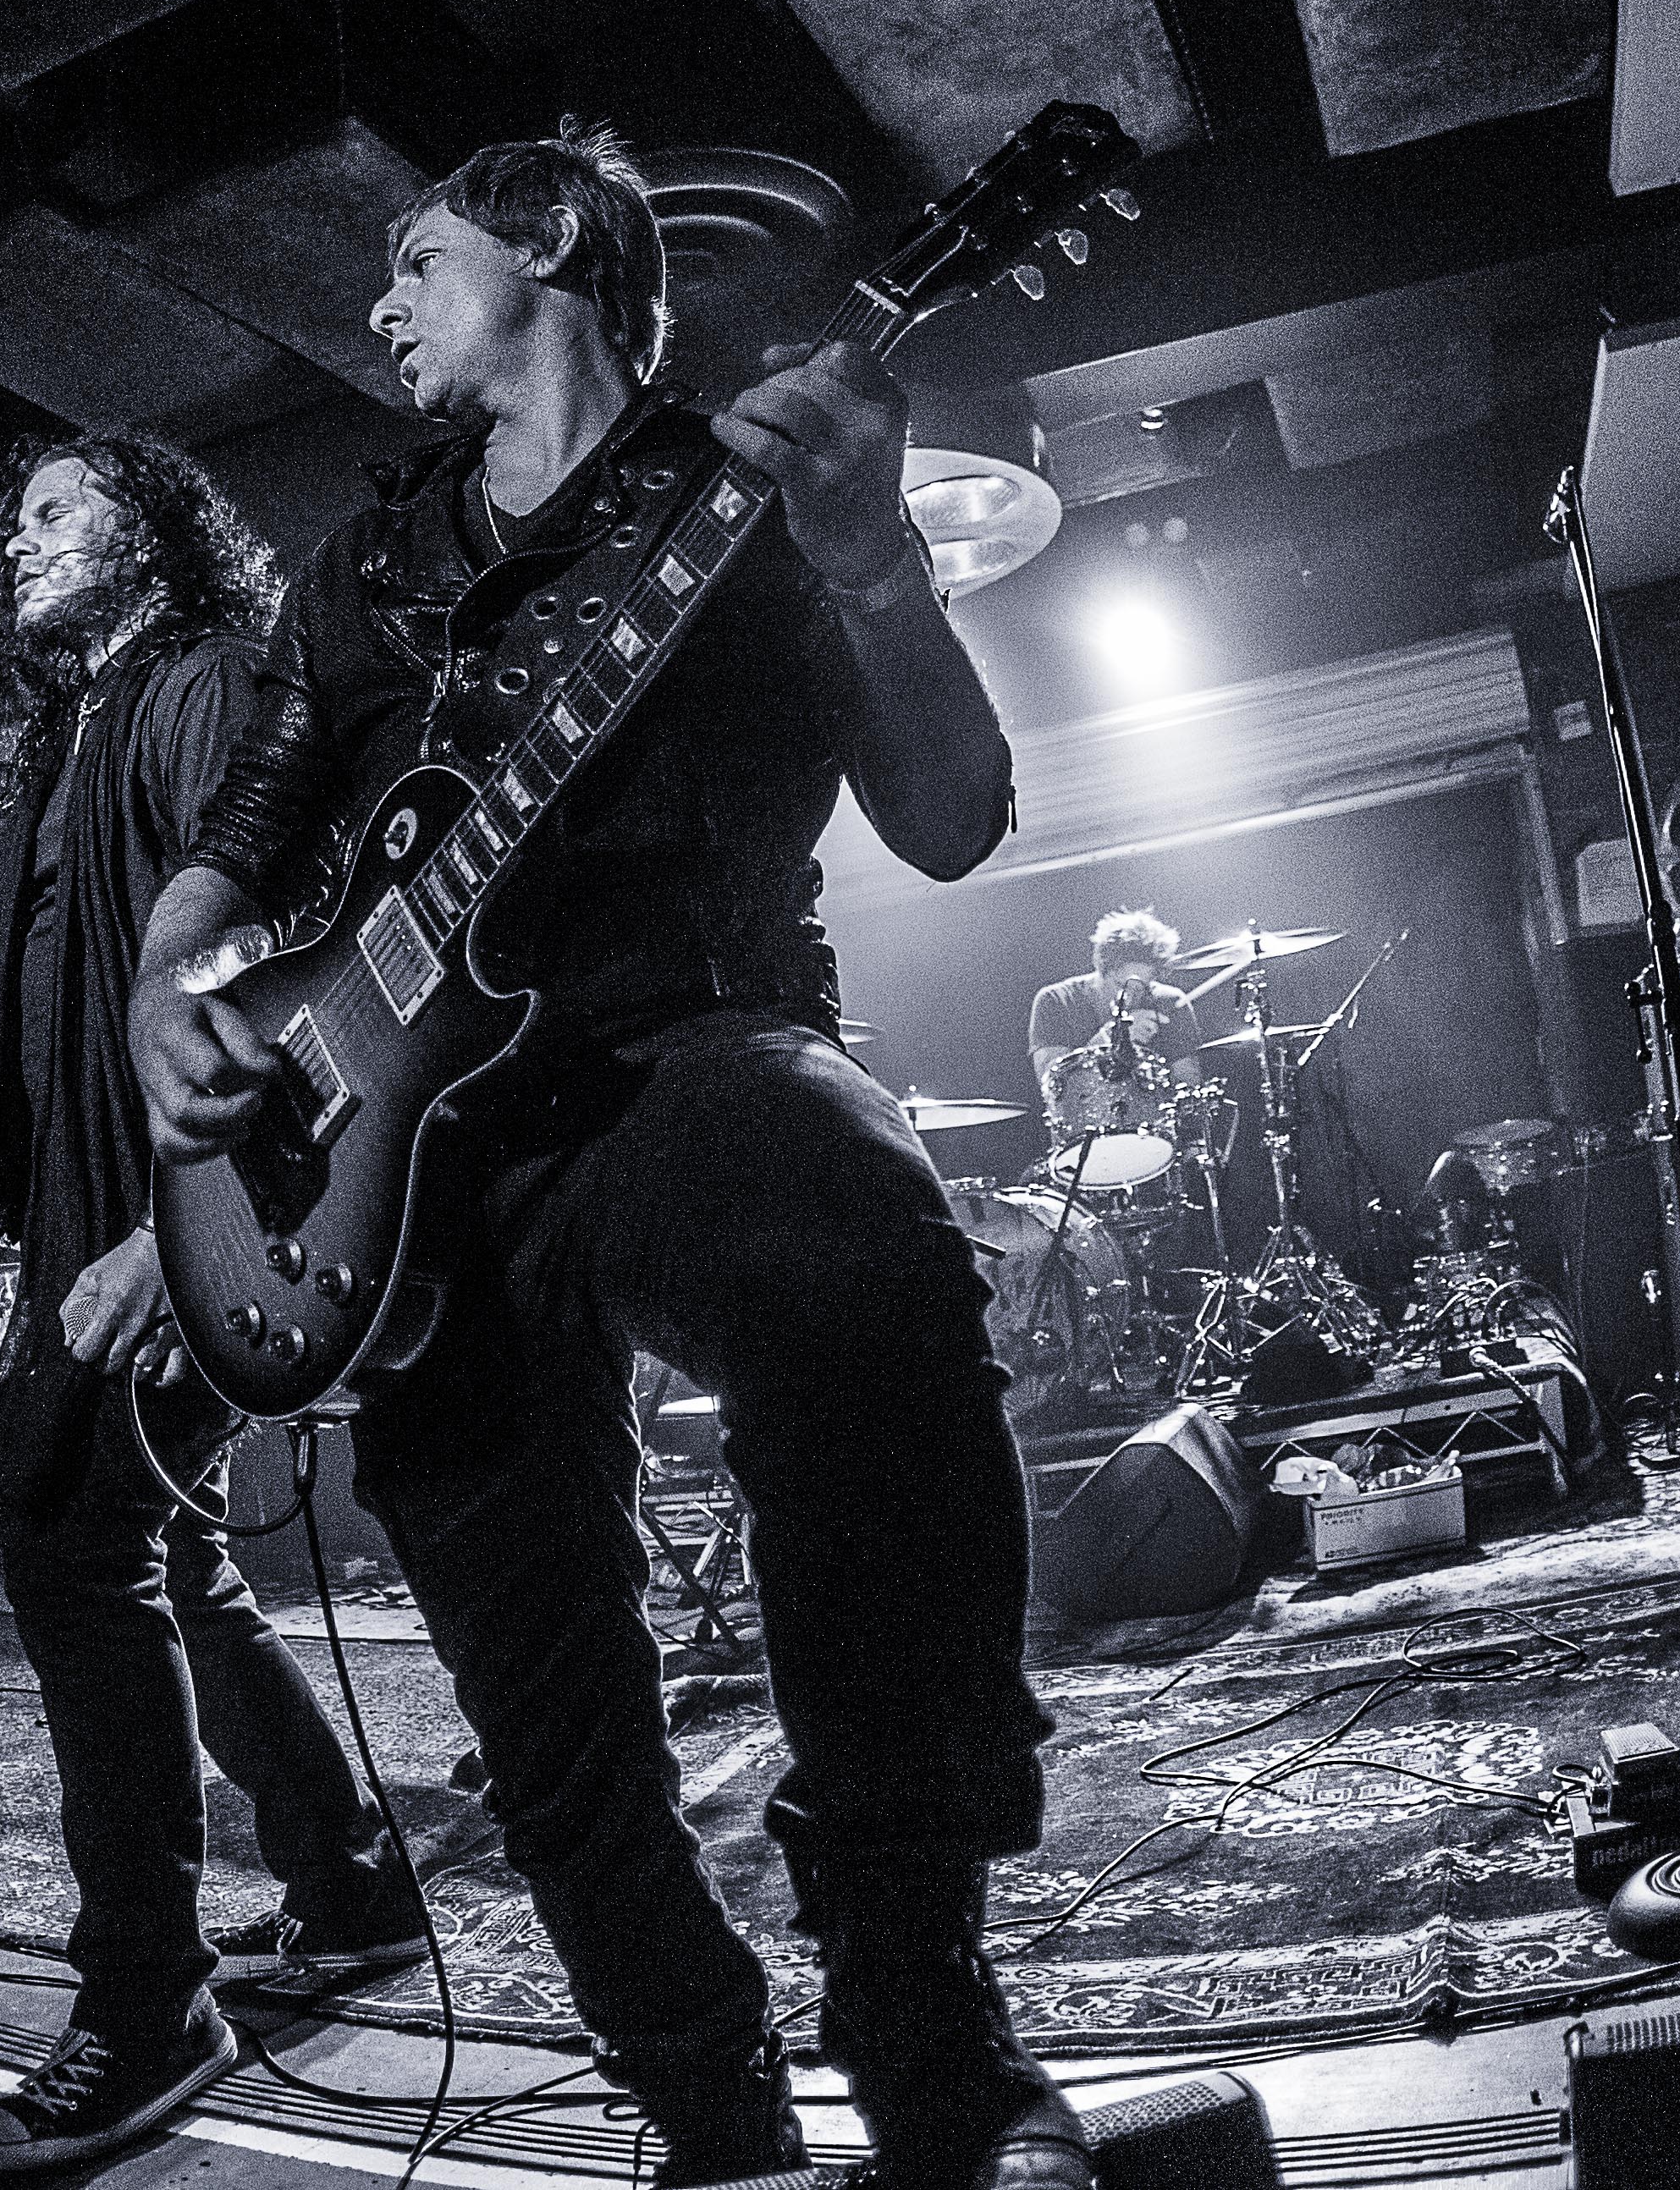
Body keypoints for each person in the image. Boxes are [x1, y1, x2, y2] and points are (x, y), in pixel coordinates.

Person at [131, 125, 1088, 2190]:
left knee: (858, 1251)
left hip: (685, 1045)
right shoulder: (360, 566)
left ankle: (923, 2030)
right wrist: (164, 991)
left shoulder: (740, 488)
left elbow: (947, 816)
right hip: (391, 1161)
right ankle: (703, 2109)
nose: (375, 304)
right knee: (534, 1678)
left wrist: (870, 559)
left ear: (550, 239)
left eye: (413, 258)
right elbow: (248, 834)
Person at [0, 432, 427, 2173]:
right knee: (163, 1560)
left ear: (149, 531)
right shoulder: (72, 732)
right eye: (13, 520)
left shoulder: (208, 680)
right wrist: (5, 1220)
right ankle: (352, 1880)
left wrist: (178, 1228)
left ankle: (148, 2000)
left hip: (187, 1206)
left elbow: (281, 950)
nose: (18, 541)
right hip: (88, 1210)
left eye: (52, 510)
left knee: (74, 1554)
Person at [1027, 907, 1203, 1149]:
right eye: (1121, 985)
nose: (1131, 995)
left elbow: (1189, 1084)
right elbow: (1050, 1082)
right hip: (1082, 1145)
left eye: (1143, 986)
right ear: (1102, 968)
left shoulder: (1170, 1002)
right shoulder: (1056, 1000)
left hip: (1155, 1143)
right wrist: (1112, 1036)